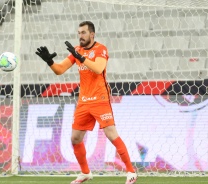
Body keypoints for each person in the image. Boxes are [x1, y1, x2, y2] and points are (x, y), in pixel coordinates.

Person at [35, 21, 138, 184]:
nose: (80, 36)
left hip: (100, 99)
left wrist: (81, 58)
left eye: (83, 32)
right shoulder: (77, 50)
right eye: (79, 33)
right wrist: (49, 62)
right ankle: (85, 173)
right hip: (84, 101)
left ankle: (131, 172)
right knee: (75, 138)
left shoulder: (100, 49)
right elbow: (60, 70)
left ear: (92, 34)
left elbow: (98, 68)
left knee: (111, 134)